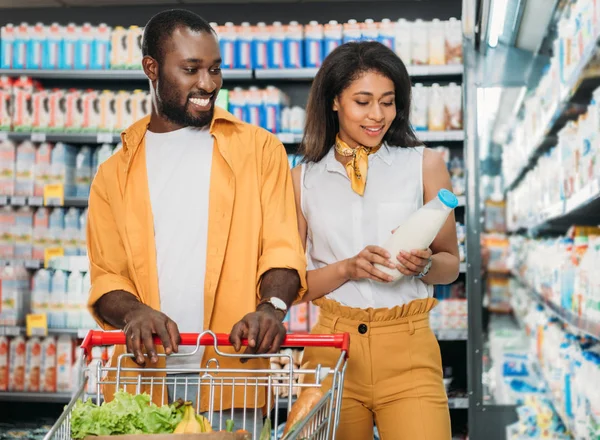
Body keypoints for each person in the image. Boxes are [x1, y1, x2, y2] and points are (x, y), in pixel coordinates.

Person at [86, 9, 306, 433]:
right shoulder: (113, 174)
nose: (208, 84)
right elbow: (107, 276)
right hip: (141, 385)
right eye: (191, 69)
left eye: (215, 69)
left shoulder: (259, 150)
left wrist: (271, 308)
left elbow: (282, 246)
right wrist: (134, 312)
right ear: (151, 68)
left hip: (230, 373)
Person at [292, 41, 460, 440]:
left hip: (409, 349)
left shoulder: (425, 165)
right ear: (334, 101)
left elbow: (450, 264)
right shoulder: (303, 180)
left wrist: (424, 266)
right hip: (332, 352)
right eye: (363, 101)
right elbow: (295, 285)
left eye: (388, 102)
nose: (377, 115)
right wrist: (347, 268)